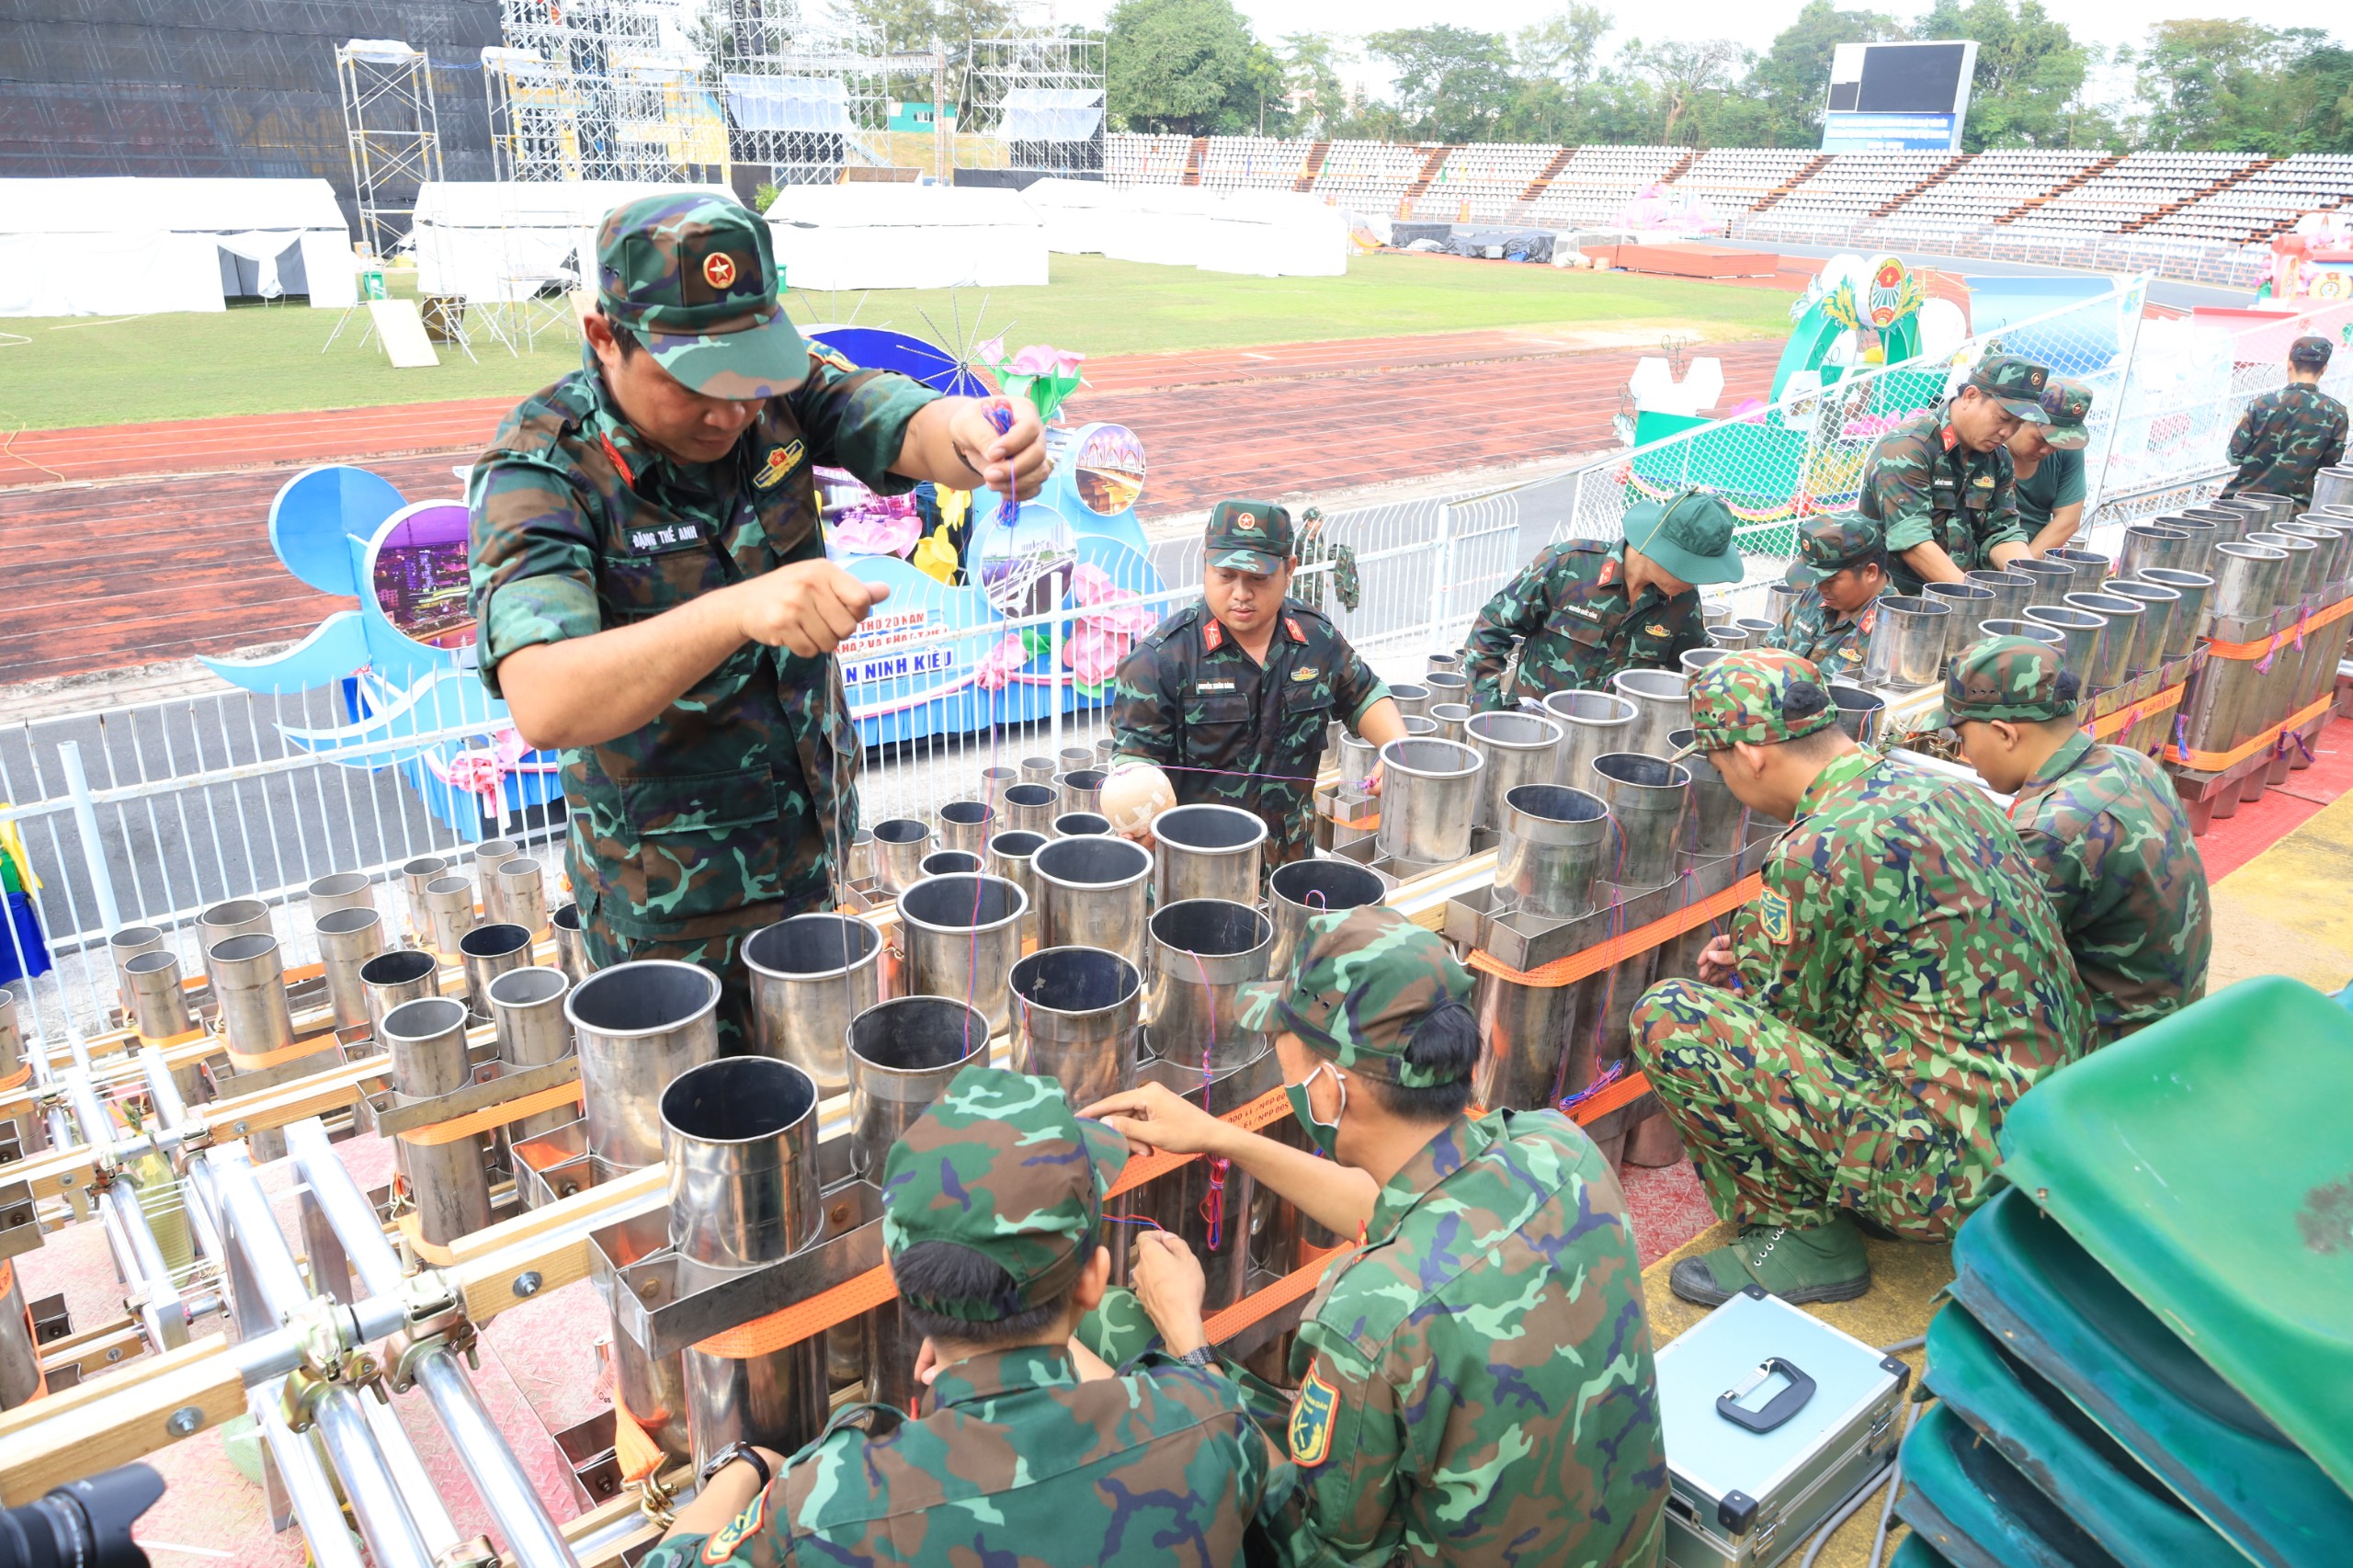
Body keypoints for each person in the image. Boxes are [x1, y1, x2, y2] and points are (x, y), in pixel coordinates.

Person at [467, 194, 1050, 1046]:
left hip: (811, 854)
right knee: (706, 1139)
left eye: (751, 378)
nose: (732, 413)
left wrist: (972, 432)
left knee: (829, 1104)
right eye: (695, 385)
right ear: (603, 335)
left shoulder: (770, 391)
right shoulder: (539, 472)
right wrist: (736, 611)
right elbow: (548, 701)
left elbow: (892, 418)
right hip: (668, 912)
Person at [1082, 907, 1665, 1568]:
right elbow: (1389, 1205)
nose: (1277, 1052)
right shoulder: (1557, 1147)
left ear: (1332, 1089)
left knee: (1121, 1329)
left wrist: (1188, 1342)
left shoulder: (1370, 1318)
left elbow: (1315, 1551)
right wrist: (1219, 1136)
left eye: (1284, 1039)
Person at [639, 1065, 1295, 1567]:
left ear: (904, 1289)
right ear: (1093, 1280)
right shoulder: (1206, 1421)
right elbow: (1303, 1529)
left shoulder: (825, 1505)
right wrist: (1192, 1350)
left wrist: (745, 1467)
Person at [1631, 651, 2093, 1306]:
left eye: (1719, 763)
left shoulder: (1817, 849)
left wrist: (1758, 970)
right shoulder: (1951, 794)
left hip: (1954, 1178)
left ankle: (1806, 1241)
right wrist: (1768, 943)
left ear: (1751, 751)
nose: (1726, 777)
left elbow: (1790, 1029)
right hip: (2051, 1139)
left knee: (1672, 1017)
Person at [1108, 501, 1406, 869]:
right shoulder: (1162, 659)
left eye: (1258, 579)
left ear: (1289, 570)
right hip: (1198, 871)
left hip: (1290, 864)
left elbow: (1363, 693)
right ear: (1206, 565)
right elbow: (1133, 762)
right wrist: (1137, 817)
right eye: (1226, 576)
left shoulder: (1315, 638)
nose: (1240, 593)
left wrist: (1398, 752)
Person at [1947, 638, 2212, 1048]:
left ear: (2004, 732)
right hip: (2174, 1023)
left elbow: (1975, 974)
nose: (1964, 755)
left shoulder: (2050, 832)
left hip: (2109, 1056)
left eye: (1962, 738)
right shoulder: (2129, 761)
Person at [1461, 488, 1744, 710]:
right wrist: (1488, 715)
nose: (1694, 582)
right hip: (1534, 734)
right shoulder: (1566, 566)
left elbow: (1692, 674)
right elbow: (1488, 633)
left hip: (1611, 746)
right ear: (1658, 551)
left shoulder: (1682, 602)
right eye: (1690, 570)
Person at [1859, 351, 2052, 594]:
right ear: (1971, 396)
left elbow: (2001, 530)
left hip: (1962, 590)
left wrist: (2027, 579)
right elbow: (1912, 541)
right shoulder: (1908, 447)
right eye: (2003, 418)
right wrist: (1973, 596)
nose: (2007, 432)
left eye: (2018, 424)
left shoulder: (1998, 458)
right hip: (1899, 597)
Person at [2223, 335, 2347, 507]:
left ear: (2289, 364)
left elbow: (2234, 457)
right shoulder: (2337, 413)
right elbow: (2330, 464)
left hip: (2242, 504)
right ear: (2324, 368)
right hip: (2292, 510)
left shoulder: (2261, 405)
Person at [1766, 511, 1889, 681]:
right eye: (1817, 579)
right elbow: (1770, 649)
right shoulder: (1816, 596)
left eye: (1831, 580)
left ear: (1870, 572)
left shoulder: (1892, 629)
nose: (1820, 587)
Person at [2010, 377, 2093, 556]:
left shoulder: (2068, 450)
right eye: (2042, 439)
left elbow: (2068, 519)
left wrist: (2020, 568)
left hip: (2030, 557)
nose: (2049, 449)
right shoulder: (1989, 444)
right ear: (2021, 418)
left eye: (2060, 442)